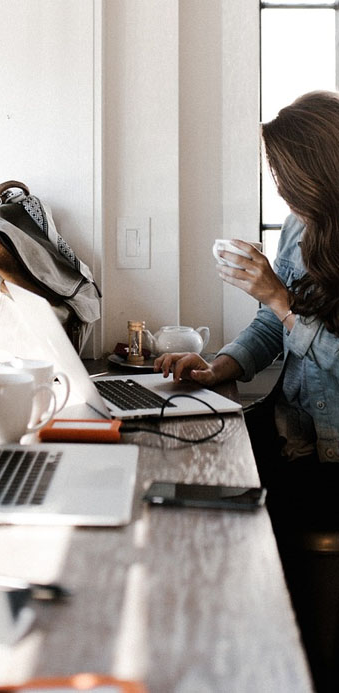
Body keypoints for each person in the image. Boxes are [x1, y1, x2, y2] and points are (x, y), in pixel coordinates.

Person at [154, 90, 339, 691]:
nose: (280, 191)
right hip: (292, 432)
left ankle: (277, 663)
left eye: (285, 177)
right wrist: (219, 366)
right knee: (178, 472)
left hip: (332, 458)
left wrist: (278, 298)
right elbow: (271, 329)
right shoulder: (295, 228)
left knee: (227, 523)